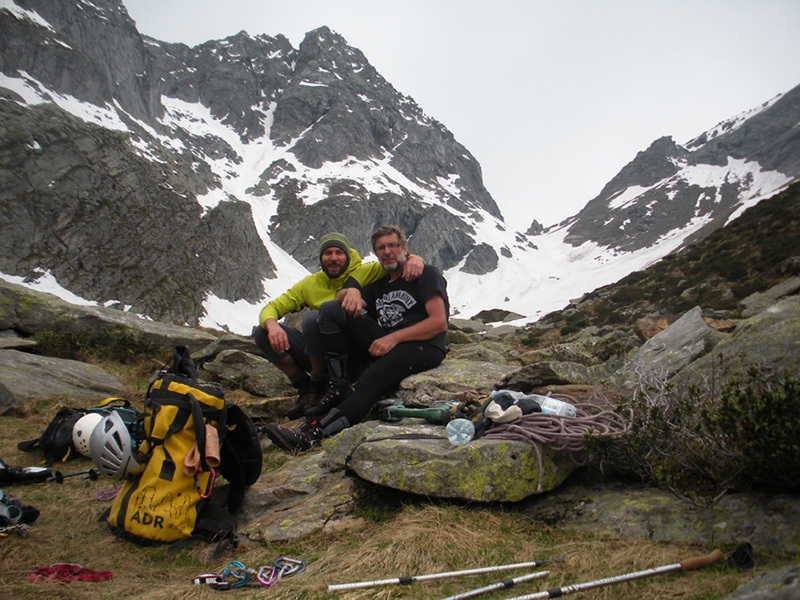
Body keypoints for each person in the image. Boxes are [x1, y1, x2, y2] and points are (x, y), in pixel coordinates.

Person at [264, 225, 449, 451]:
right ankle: (338, 384)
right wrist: (349, 292)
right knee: (331, 309)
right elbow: (341, 301)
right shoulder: (378, 285)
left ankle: (311, 435)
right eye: (381, 248)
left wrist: (394, 339)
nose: (387, 251)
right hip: (390, 343)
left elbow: (439, 322)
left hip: (423, 346)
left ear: (405, 248)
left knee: (369, 383)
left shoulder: (425, 273)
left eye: (393, 245)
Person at [253, 232, 424, 418]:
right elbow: (272, 307)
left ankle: (332, 383)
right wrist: (272, 325)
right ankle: (308, 387)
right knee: (261, 332)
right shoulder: (310, 284)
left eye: (339, 253)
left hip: (353, 356)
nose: (333, 258)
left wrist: (415, 258)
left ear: (348, 256)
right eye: (328, 254)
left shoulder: (368, 271)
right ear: (321, 258)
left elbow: (395, 260)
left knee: (312, 319)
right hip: (320, 353)